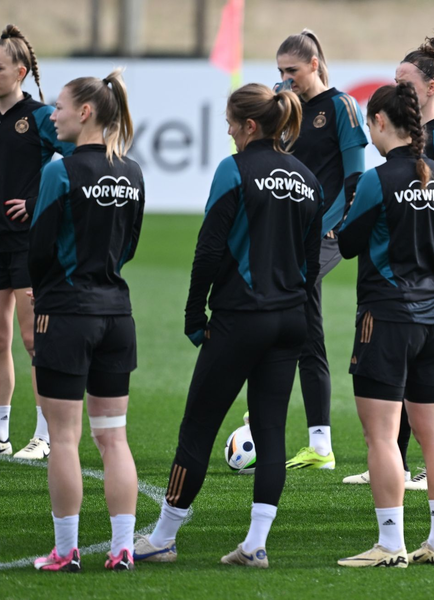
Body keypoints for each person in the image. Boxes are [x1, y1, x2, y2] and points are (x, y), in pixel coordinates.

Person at [134, 83, 322, 568]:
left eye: (231, 123)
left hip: (242, 319)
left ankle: (162, 537)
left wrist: (195, 313)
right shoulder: (308, 178)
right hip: (290, 321)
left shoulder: (233, 169)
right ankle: (255, 544)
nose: (227, 130)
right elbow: (308, 263)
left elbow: (210, 248)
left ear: (250, 126)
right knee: (271, 431)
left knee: (197, 427)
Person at [343, 30, 434, 491]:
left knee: (431, 377)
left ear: (431, 89)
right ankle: (395, 460)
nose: (399, 86)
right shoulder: (418, 146)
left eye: (406, 81)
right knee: (410, 372)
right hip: (419, 275)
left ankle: (420, 464)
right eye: (395, 80)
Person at [336, 82, 434, 568]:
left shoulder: (377, 179)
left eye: (370, 124)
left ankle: (390, 545)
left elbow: (348, 244)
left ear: (382, 123)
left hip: (387, 319)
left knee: (383, 438)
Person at [29, 69, 144, 571]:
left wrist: (43, 295)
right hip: (117, 316)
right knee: (113, 438)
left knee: (64, 439)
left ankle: (66, 549)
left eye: (58, 106)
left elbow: (38, 248)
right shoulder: (134, 172)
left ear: (85, 112)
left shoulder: (60, 170)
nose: (51, 116)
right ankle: (123, 548)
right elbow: (131, 245)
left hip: (68, 315)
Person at [276, 29, 367, 471]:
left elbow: (355, 178)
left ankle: (273, 421)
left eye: (291, 70)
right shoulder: (285, 104)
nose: (285, 78)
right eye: (279, 71)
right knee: (304, 326)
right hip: (285, 234)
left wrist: (334, 227)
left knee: (287, 311)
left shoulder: (342, 107)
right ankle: (319, 443)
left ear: (314, 65)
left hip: (323, 236)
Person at [0, 24, 73, 460]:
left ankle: (44, 436)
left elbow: (80, 162)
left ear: (20, 71)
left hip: (28, 244)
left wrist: (35, 201)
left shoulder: (41, 117)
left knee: (33, 340)